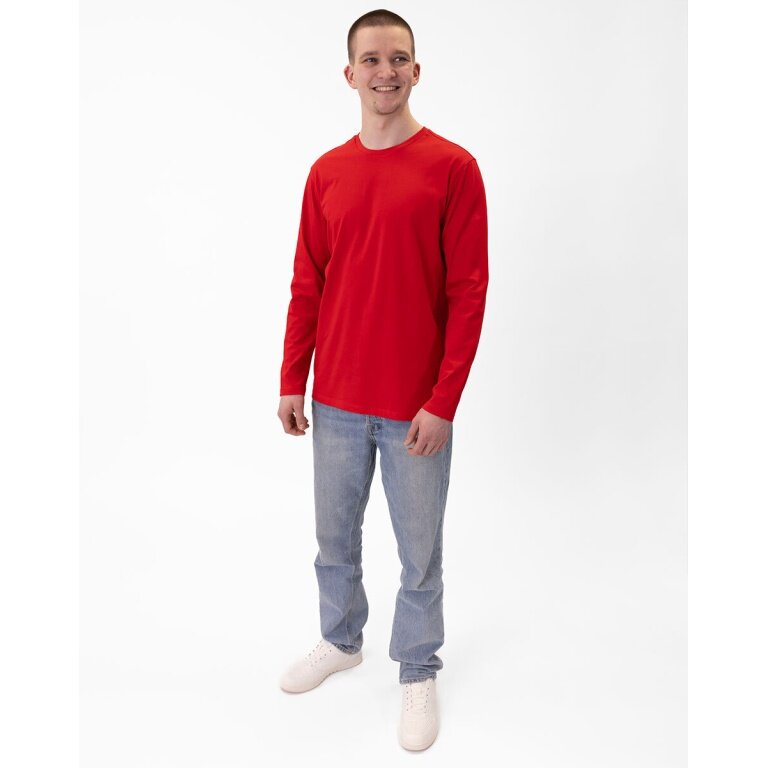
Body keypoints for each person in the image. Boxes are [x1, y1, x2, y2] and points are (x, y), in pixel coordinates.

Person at [276, 8, 488, 752]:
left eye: (398, 58)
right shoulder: (326, 173)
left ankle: (417, 668)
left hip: (413, 408)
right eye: (371, 59)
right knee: (333, 538)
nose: (385, 71)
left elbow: (468, 293)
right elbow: (308, 282)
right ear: (350, 74)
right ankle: (341, 639)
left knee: (419, 552)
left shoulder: (452, 168)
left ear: (416, 71)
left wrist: (443, 401)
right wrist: (291, 378)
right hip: (335, 397)